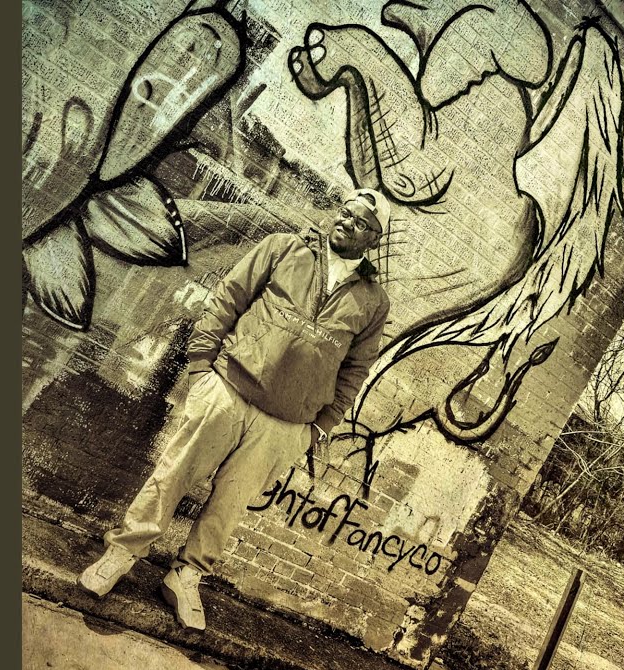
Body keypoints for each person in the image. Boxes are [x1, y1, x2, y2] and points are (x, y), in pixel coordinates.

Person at [79, 189, 392, 631]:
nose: (346, 223)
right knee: (173, 475)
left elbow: (355, 369)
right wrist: (201, 367)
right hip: (227, 389)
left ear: (374, 239)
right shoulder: (285, 248)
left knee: (228, 507)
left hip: (285, 426)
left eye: (360, 223)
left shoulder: (373, 301)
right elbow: (229, 297)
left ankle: (186, 577)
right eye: (345, 212)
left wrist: (318, 428)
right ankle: (122, 553)